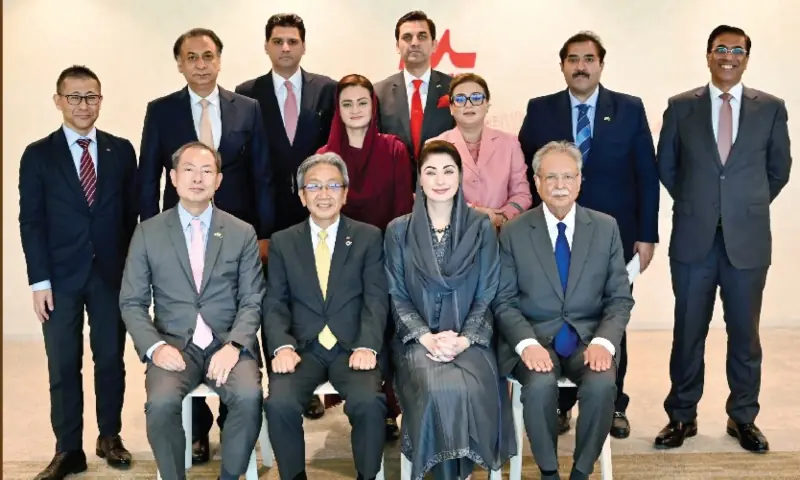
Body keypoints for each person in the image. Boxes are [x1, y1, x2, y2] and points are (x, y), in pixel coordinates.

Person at [137, 27, 274, 462]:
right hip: (178, 231)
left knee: (232, 324)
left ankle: (231, 425)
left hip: (235, 235)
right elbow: (147, 179)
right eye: (191, 57)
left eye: (208, 55)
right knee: (182, 328)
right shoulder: (161, 111)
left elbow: (263, 173)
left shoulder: (247, 108)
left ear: (220, 60)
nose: (200, 63)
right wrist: (149, 233)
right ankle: (195, 433)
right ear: (179, 63)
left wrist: (265, 231)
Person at [654, 24, 791, 453]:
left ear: (746, 58)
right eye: (720, 49)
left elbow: (779, 169)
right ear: (708, 55)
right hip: (694, 239)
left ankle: (743, 416)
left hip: (747, 241)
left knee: (745, 335)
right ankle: (681, 416)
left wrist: (738, 206)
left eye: (737, 50)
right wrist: (702, 203)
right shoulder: (681, 107)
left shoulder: (771, 108)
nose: (728, 56)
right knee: (688, 331)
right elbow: (668, 166)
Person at [517, 31, 660, 439]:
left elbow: (647, 176)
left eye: (589, 59)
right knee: (560, 312)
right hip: (554, 233)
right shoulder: (541, 109)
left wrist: (646, 235)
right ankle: (561, 405)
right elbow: (529, 175)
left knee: (612, 316)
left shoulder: (629, 109)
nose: (581, 66)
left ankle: (613, 403)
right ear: (562, 65)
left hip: (613, 236)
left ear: (601, 64)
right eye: (573, 59)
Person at [120, 142, 265, 480]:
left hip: (227, 343)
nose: (197, 178)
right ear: (173, 178)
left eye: (206, 171)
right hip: (173, 345)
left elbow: (252, 298)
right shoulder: (148, 233)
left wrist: (235, 345)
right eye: (189, 170)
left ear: (218, 180)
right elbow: (132, 302)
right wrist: (156, 348)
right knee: (161, 405)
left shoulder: (242, 233)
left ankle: (229, 476)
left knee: (248, 396)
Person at [19, 65, 137, 480]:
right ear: (58, 101)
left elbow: (130, 217)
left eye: (92, 97)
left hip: (110, 275)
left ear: (101, 100)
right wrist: (39, 282)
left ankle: (110, 436)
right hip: (60, 280)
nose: (84, 105)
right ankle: (68, 449)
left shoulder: (121, 150)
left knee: (110, 360)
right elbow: (30, 221)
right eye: (74, 97)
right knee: (63, 364)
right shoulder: (38, 154)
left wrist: (133, 275)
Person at [493, 141, 634, 480]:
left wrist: (605, 342)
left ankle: (582, 472)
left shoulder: (605, 227)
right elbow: (503, 300)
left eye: (568, 177)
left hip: (588, 338)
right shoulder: (513, 232)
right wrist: (526, 345)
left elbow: (619, 298)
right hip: (535, 337)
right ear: (536, 181)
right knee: (540, 384)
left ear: (580, 181)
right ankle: (549, 472)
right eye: (551, 177)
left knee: (602, 384)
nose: (559, 185)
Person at [384, 140, 516, 480]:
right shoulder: (399, 231)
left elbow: (487, 292)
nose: (440, 179)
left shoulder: (481, 227)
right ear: (419, 179)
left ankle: (462, 472)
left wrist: (465, 339)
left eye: (448, 171)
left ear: (460, 177)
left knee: (468, 387)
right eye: (431, 171)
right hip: (418, 341)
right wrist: (426, 338)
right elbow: (397, 294)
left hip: (470, 338)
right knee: (436, 388)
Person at [262, 152, 389, 480]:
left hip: (352, 348)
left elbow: (376, 300)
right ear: (302, 195)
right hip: (303, 349)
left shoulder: (368, 237)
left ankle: (367, 475)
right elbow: (275, 303)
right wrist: (281, 347)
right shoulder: (283, 242)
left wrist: (368, 346)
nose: (324, 193)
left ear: (345, 193)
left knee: (369, 404)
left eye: (333, 185)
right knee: (279, 404)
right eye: (314, 186)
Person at [312, 73, 414, 434]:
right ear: (337, 110)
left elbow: (403, 212)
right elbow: (321, 215)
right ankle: (360, 404)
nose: (355, 110)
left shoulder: (394, 149)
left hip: (386, 257)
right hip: (338, 264)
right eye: (347, 103)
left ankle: (387, 409)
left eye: (362, 102)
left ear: (374, 107)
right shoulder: (324, 157)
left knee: (384, 330)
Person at [236, 13, 337, 235]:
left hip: (318, 209)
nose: (285, 48)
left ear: (303, 46)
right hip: (266, 213)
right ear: (266, 46)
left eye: (292, 42)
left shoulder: (328, 90)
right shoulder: (247, 93)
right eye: (277, 42)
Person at [431, 73, 532, 229]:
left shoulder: (510, 143)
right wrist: (471, 212)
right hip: (454, 234)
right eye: (460, 99)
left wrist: (501, 218)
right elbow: (429, 196)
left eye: (476, 98)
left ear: (487, 105)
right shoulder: (435, 146)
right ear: (451, 108)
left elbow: (522, 194)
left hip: (500, 234)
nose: (468, 104)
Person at [375, 10, 455, 188]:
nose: (414, 43)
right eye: (407, 37)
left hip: (445, 188)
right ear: (397, 46)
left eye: (422, 36)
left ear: (434, 45)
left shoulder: (454, 89)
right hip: (394, 190)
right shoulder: (379, 92)